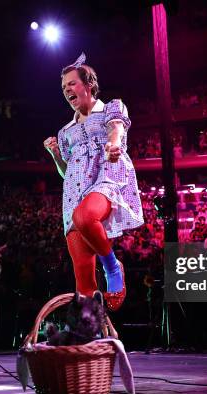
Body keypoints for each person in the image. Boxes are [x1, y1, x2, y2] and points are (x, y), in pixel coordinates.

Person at [43, 53, 144, 312]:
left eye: (72, 84)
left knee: (86, 217)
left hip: (106, 178)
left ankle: (112, 266)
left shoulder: (111, 107)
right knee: (83, 276)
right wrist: (56, 155)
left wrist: (113, 143)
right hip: (74, 192)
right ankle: (90, 336)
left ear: (88, 84)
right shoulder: (65, 132)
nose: (67, 90)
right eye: (64, 87)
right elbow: (66, 172)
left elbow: (117, 128)